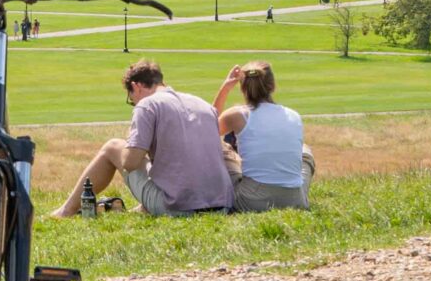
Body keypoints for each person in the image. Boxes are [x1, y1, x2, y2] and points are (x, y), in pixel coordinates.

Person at [52, 59, 232, 219]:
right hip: (221, 204)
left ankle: (65, 211)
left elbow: (130, 163)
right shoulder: (201, 103)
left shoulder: (148, 105)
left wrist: (134, 143)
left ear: (136, 86)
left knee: (113, 147)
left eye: (132, 99)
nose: (135, 103)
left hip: (180, 207)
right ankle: (144, 207)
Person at [215, 61, 313, 211]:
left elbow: (207, 130)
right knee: (305, 151)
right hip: (295, 200)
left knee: (220, 146)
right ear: (272, 86)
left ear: (242, 88)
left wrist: (225, 88)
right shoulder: (294, 115)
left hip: (252, 201)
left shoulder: (237, 114)